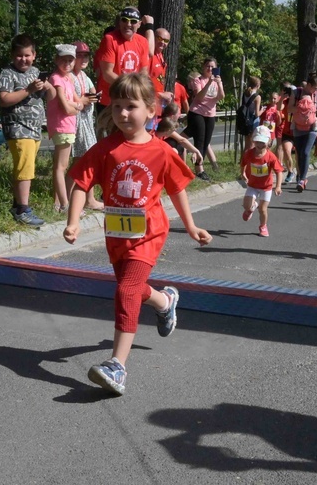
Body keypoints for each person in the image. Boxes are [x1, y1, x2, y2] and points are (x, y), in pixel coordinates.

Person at [63, 73, 212, 396]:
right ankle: (165, 300)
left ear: (150, 110)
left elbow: (177, 190)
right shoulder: (106, 148)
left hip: (149, 234)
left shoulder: (161, 151)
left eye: (131, 106)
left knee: (126, 291)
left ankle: (117, 365)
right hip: (117, 235)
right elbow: (81, 184)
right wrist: (73, 221)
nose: (123, 114)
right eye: (117, 106)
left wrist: (190, 226)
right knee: (131, 289)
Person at [0, 33, 54, 227]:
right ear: (13, 55)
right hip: (17, 128)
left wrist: (47, 85)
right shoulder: (7, 73)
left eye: (27, 55)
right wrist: (28, 90)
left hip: (35, 129)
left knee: (26, 166)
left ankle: (17, 205)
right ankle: (23, 209)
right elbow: (4, 99)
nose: (24, 59)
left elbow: (52, 96)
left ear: (34, 55)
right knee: (25, 168)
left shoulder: (36, 72)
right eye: (19, 55)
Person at [96, 7, 155, 112]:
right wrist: (130, 88)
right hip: (110, 101)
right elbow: (107, 73)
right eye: (124, 20)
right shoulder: (110, 39)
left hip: (131, 100)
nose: (128, 24)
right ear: (120, 22)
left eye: (133, 21)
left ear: (139, 24)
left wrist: (141, 92)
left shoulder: (143, 42)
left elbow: (143, 72)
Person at [46, 44, 83, 213]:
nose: (67, 63)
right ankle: (64, 205)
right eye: (63, 60)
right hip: (62, 126)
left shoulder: (69, 78)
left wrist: (75, 105)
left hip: (69, 126)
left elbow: (78, 102)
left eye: (70, 60)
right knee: (60, 167)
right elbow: (66, 107)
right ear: (56, 60)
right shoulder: (56, 79)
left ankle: (59, 203)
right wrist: (75, 106)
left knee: (63, 165)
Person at [70, 41, 103, 210]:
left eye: (86, 55)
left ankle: (88, 198)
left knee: (89, 160)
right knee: (80, 161)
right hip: (76, 123)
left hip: (87, 122)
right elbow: (73, 98)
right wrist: (84, 99)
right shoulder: (69, 76)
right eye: (79, 55)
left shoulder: (85, 76)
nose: (83, 58)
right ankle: (69, 199)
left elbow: (91, 92)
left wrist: (94, 96)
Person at [240, 125, 284, 237]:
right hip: (252, 185)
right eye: (258, 142)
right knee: (246, 205)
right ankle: (250, 208)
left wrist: (278, 186)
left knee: (262, 209)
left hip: (266, 187)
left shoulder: (271, 157)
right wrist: (243, 173)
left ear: (269, 142)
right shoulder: (249, 153)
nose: (260, 145)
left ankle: (263, 226)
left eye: (263, 142)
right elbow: (243, 163)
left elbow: (279, 171)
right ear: (253, 140)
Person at [187, 58, 225, 181]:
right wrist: (208, 83)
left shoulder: (217, 81)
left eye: (212, 67)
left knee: (206, 140)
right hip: (197, 112)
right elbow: (199, 97)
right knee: (200, 140)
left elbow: (221, 97)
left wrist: (218, 83)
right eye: (207, 66)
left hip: (210, 114)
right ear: (203, 67)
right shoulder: (198, 80)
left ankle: (175, 143)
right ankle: (199, 170)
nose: (210, 69)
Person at [288, 73, 317, 192]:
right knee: (299, 153)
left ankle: (302, 179)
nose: (316, 90)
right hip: (298, 127)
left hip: (312, 127)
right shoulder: (297, 93)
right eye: (315, 87)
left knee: (305, 152)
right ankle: (300, 176)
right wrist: (300, 107)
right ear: (309, 85)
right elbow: (289, 109)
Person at [148, 28, 173, 115]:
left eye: (166, 40)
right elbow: (143, 82)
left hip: (157, 103)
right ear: (153, 38)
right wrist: (162, 95)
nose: (162, 42)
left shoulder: (160, 56)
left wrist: (164, 96)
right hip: (148, 102)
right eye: (159, 38)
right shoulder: (149, 55)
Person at [278, 82, 297, 183]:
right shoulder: (285, 101)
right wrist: (281, 98)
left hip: (298, 131)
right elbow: (278, 108)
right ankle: (290, 171)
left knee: (298, 156)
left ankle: (299, 174)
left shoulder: (298, 101)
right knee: (286, 151)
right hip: (287, 131)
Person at [239, 76, 262, 151]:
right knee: (252, 144)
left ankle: (243, 161)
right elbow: (257, 114)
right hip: (253, 121)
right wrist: (263, 110)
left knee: (247, 144)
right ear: (258, 85)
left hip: (245, 119)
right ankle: (249, 161)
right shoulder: (257, 96)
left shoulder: (245, 93)